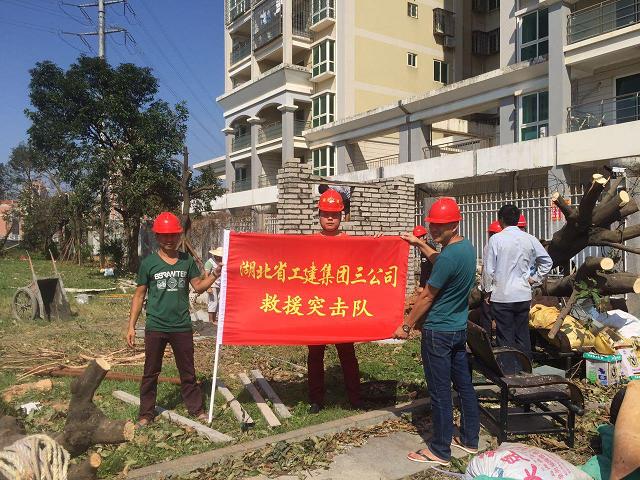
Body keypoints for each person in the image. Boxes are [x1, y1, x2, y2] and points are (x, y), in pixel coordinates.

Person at [395, 197, 480, 467]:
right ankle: (469, 439)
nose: (434, 230)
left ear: (454, 225)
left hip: (438, 333)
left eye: (440, 226)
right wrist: (419, 243)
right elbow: (441, 261)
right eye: (432, 225)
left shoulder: (449, 257)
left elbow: (427, 297)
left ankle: (440, 450)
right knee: (464, 386)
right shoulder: (466, 248)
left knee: (440, 391)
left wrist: (406, 325)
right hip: (458, 330)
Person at [127, 211, 221, 427]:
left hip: (181, 326)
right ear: (157, 237)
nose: (169, 239)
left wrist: (215, 274)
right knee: (150, 372)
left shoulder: (186, 261)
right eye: (164, 235)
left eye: (173, 235)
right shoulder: (149, 263)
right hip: (156, 326)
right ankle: (146, 413)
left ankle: (196, 409)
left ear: (179, 236)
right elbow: (139, 295)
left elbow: (198, 287)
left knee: (188, 371)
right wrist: (131, 326)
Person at [307, 189, 362, 413]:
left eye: (335, 214)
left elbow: (365, 267)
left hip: (341, 308)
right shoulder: (308, 243)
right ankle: (316, 399)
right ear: (319, 215)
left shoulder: (351, 243)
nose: (330, 218)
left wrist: (379, 244)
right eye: (326, 214)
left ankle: (355, 398)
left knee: (347, 354)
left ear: (342, 216)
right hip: (317, 308)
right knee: (315, 355)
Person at [483, 204, 552, 372]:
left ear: (500, 220)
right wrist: (534, 279)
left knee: (505, 336)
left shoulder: (496, 239)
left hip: (502, 296)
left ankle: (509, 373)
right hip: (523, 295)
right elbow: (547, 262)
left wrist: (487, 290)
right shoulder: (529, 239)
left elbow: (489, 270)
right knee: (522, 334)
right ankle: (526, 370)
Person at [476, 220, 502, 337]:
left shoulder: (490, 246)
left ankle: (487, 340)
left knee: (487, 316)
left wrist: (487, 291)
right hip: (502, 287)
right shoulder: (506, 245)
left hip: (491, 287)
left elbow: (487, 270)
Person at [204, 247, 223, 323]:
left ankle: (215, 319)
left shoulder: (223, 261)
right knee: (213, 302)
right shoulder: (210, 262)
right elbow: (206, 275)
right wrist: (208, 287)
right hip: (212, 284)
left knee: (218, 302)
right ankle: (211, 320)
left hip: (220, 284)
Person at [412, 225, 434, 292]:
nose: (417, 240)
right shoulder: (425, 248)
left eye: (419, 237)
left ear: (425, 237)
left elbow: (425, 269)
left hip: (430, 281)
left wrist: (422, 285)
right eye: (416, 238)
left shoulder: (427, 249)